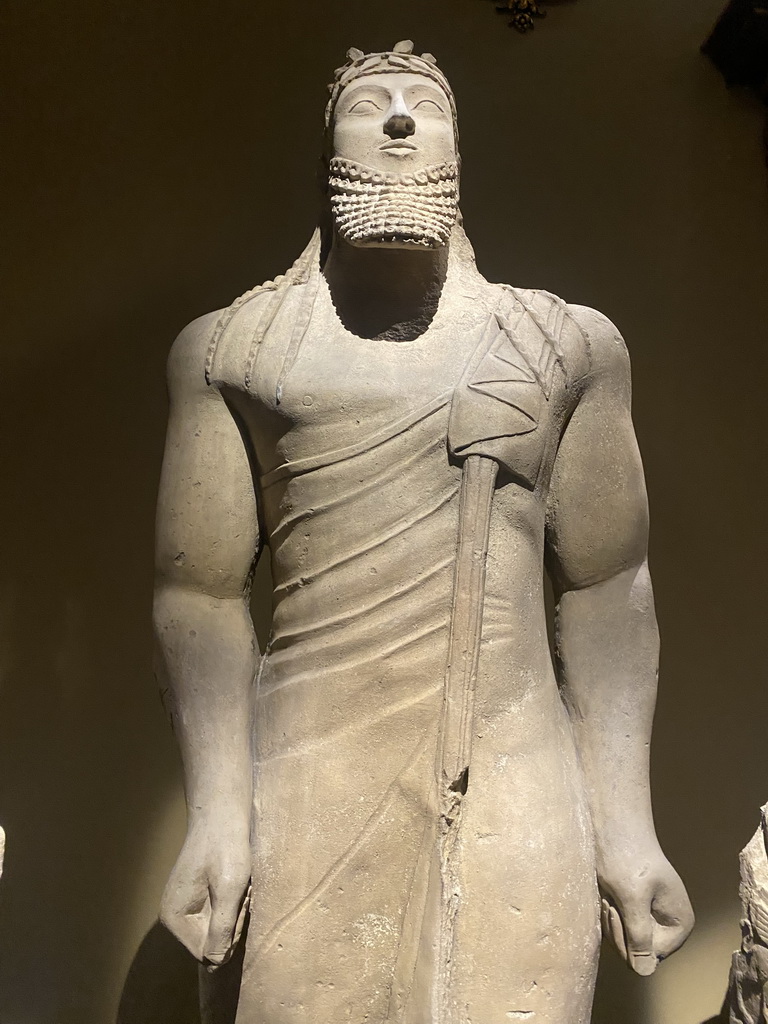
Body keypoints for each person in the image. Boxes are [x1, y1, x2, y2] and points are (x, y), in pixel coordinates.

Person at [153, 40, 694, 1024]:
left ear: (456, 149)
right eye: (372, 104)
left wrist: (624, 828)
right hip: (310, 770)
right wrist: (218, 814)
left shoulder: (560, 344)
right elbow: (200, 595)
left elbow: (608, 588)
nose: (400, 122)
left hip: (509, 768)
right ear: (329, 151)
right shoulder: (235, 350)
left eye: (424, 107)